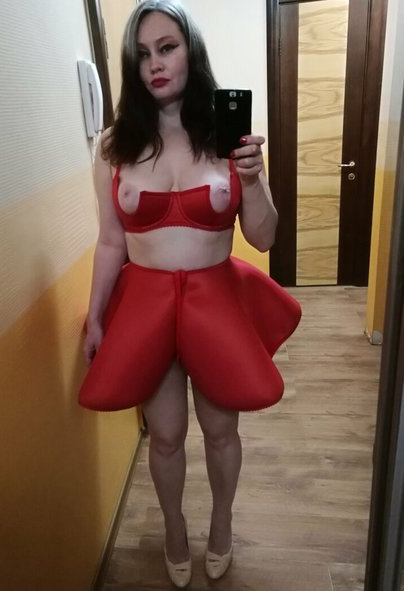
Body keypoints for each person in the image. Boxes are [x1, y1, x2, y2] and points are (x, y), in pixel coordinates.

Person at [79, 0, 301, 587]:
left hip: (216, 301)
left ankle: (221, 524)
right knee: (167, 435)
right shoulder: (113, 147)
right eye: (142, 54)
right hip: (146, 305)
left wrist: (253, 178)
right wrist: (96, 317)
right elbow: (111, 242)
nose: (154, 63)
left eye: (167, 47)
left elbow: (263, 236)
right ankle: (175, 529)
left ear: (190, 51)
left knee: (221, 430)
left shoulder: (226, 138)